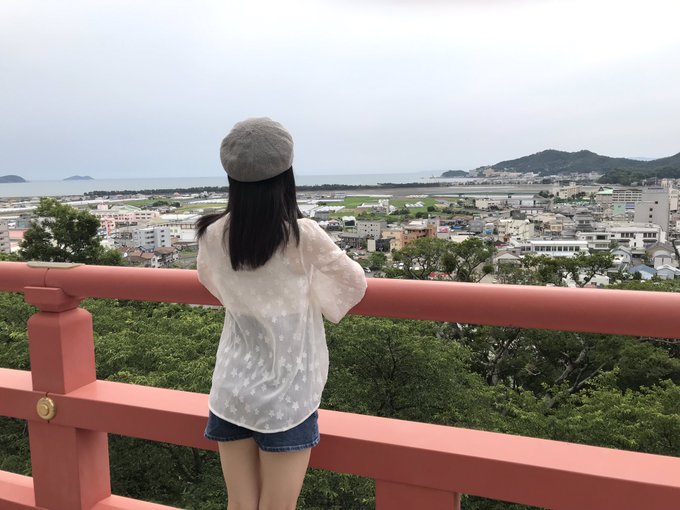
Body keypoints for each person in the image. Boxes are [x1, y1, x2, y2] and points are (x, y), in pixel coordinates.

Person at [195, 117, 367, 510]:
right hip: (288, 394)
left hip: (232, 388)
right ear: (286, 175)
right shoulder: (301, 235)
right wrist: (309, 295)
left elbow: (212, 282)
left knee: (240, 503)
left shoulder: (212, 234)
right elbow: (353, 284)